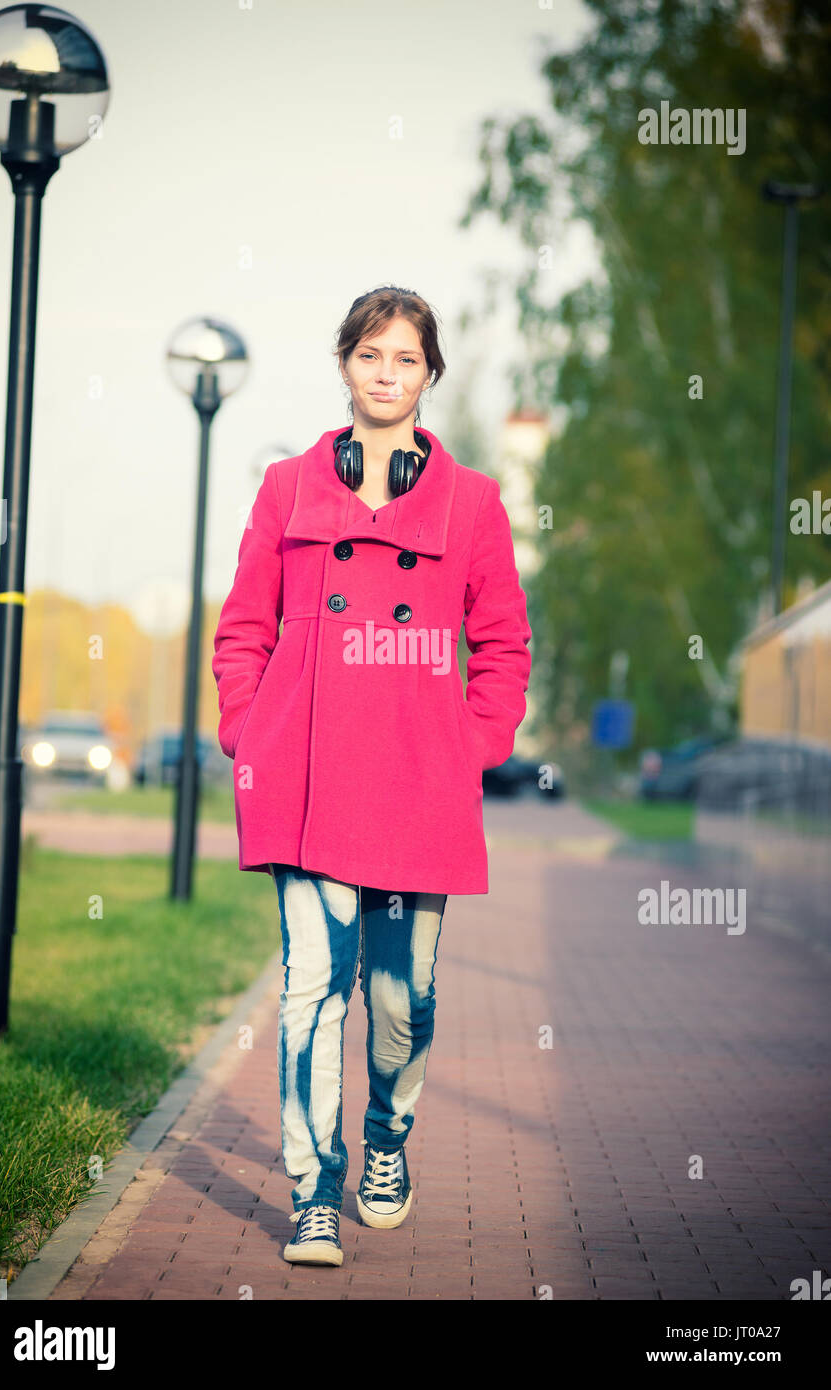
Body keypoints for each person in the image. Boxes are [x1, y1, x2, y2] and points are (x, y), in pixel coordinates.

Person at [212, 285, 532, 1266]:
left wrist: (468, 744)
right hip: (308, 781)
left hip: (419, 790)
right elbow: (242, 629)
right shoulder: (288, 490)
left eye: (405, 357)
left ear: (430, 374)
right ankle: (313, 1190)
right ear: (345, 366)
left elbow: (504, 643)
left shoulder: (472, 502)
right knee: (312, 988)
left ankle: (387, 1140)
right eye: (369, 355)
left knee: (399, 999)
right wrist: (247, 729)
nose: (386, 372)